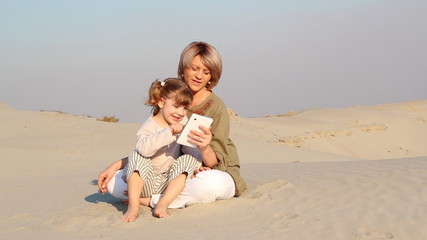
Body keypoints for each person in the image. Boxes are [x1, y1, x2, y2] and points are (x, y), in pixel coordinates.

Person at [98, 41, 246, 212]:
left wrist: (204, 148)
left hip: (210, 170)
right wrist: (117, 165)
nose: (199, 76)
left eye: (206, 72)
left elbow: (216, 161)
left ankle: (152, 201)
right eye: (194, 68)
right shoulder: (171, 96)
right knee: (112, 183)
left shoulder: (217, 107)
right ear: (183, 69)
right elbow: (151, 148)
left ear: (212, 77)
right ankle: (163, 197)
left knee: (210, 184)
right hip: (170, 172)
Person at [117, 78, 201, 222]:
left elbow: (189, 150)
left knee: (189, 158)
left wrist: (197, 161)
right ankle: (133, 206)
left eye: (185, 108)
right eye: (176, 106)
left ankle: (162, 203)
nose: (180, 112)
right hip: (146, 181)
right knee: (137, 156)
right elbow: (143, 149)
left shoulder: (182, 122)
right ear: (161, 102)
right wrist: (168, 133)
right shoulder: (149, 125)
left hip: (167, 182)